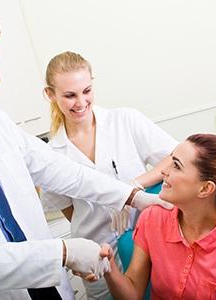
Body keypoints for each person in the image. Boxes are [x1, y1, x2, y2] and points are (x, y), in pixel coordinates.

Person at [0, 16, 173, 300]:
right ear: (51, 95)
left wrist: (131, 195)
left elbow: (56, 169)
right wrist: (65, 251)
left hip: (48, 282)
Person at [40, 51, 179, 300]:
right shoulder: (52, 154)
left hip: (148, 244)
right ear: (50, 95)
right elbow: (70, 211)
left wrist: (133, 188)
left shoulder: (125, 120)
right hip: (99, 256)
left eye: (87, 91)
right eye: (70, 95)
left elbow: (174, 157)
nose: (81, 102)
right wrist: (100, 215)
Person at [98, 133, 216, 300]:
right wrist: (109, 268)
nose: (163, 171)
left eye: (176, 165)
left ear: (205, 188)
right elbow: (133, 294)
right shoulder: (152, 218)